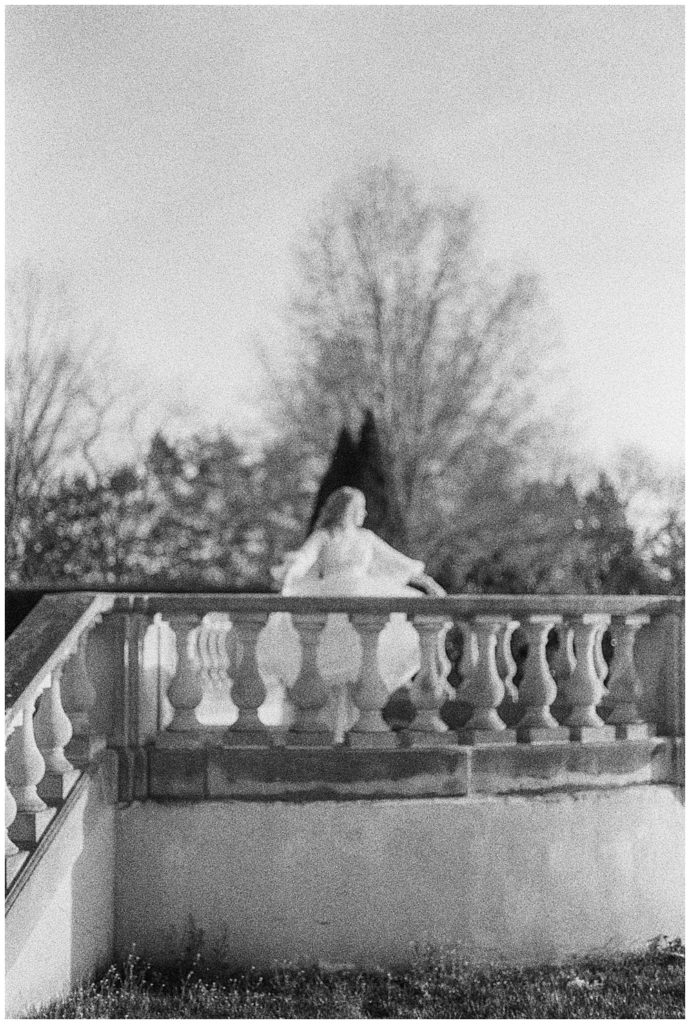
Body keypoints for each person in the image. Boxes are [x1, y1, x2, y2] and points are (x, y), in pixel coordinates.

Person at [255, 486, 446, 739]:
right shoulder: (325, 536)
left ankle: (352, 729)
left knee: (360, 668)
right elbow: (304, 559)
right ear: (348, 510)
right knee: (331, 672)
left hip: (364, 602)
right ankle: (329, 731)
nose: (364, 513)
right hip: (331, 605)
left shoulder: (366, 538)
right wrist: (289, 575)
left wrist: (429, 583)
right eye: (360, 508)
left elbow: (396, 561)